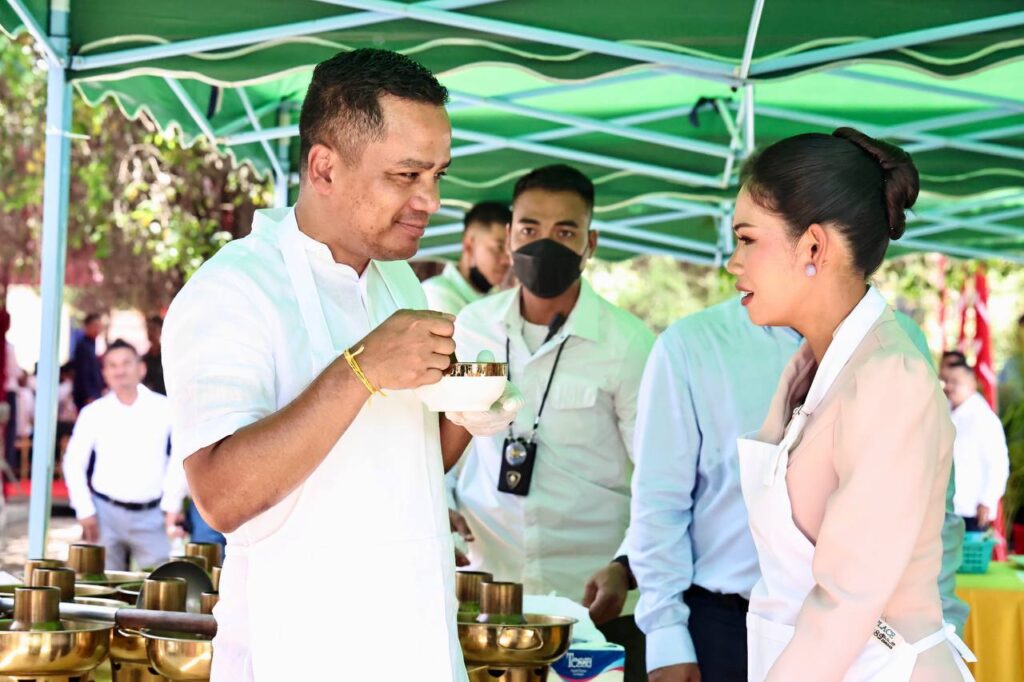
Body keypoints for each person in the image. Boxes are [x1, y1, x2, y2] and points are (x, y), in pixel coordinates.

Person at [162, 49, 521, 682]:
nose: (431, 200)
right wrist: (359, 370)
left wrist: (465, 412)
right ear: (324, 167)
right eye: (406, 175)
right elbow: (221, 497)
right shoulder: (233, 290)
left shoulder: (399, 281)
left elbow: (401, 468)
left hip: (415, 634)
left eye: (438, 174)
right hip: (299, 646)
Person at [726, 128, 974, 680]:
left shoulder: (890, 377)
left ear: (814, 247)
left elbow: (848, 599)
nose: (732, 263)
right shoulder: (813, 366)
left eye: (746, 239)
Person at [630, 298, 969, 682]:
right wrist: (666, 633)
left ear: (816, 258)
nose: (734, 268)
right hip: (720, 628)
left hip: (867, 638)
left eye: (748, 249)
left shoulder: (894, 352)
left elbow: (933, 509)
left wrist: (935, 629)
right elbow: (659, 500)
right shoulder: (690, 344)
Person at [452, 164, 655, 681]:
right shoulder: (471, 328)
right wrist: (442, 505)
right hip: (488, 597)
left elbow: (660, 478)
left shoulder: (628, 344)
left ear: (591, 243)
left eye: (565, 232)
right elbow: (441, 445)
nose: (544, 244)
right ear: (509, 236)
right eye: (529, 229)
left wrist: (626, 565)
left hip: (595, 600)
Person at [62, 340, 179, 570]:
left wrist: (172, 505)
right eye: (112, 365)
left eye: (126, 363)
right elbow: (73, 462)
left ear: (141, 368)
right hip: (104, 514)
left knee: (159, 583)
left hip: (152, 514)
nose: (120, 371)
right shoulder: (93, 413)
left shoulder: (165, 409)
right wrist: (84, 509)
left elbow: (179, 458)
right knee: (101, 583)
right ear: (105, 373)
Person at [941, 358, 1010, 531]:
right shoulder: (943, 411)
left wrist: (987, 501)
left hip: (971, 509)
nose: (949, 386)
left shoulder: (984, 418)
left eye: (955, 382)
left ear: (972, 383)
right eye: (946, 381)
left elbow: (998, 464)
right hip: (944, 507)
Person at [423, 201, 512, 315]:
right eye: (499, 248)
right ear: (469, 246)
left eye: (511, 250)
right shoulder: (436, 293)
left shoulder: (499, 297)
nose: (507, 260)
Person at [72, 313, 105, 408]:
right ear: (86, 326)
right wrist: (88, 395)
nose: (97, 329)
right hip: (88, 397)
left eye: (99, 326)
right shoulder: (83, 346)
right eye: (95, 326)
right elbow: (83, 373)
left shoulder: (93, 344)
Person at [142, 315, 166, 395]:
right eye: (148, 329)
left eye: (153, 329)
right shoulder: (144, 359)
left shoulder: (167, 357)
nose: (150, 332)